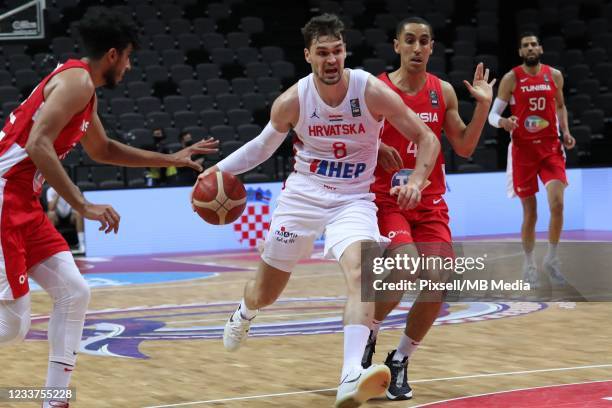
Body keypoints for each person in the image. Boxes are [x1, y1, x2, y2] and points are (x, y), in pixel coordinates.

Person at [197, 14, 440, 408]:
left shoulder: (370, 90)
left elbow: (426, 137)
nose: (331, 60)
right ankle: (243, 313)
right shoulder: (294, 100)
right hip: (302, 200)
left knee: (364, 272)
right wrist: (220, 169)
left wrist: (417, 181)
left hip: (353, 200)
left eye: (338, 51)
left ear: (346, 52)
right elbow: (261, 147)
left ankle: (349, 376)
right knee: (265, 293)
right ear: (308, 55)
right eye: (322, 52)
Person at [0, 7, 217, 408]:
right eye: (130, 57)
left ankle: (54, 400)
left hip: (22, 200)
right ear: (114, 55)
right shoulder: (76, 82)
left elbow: (103, 149)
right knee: (13, 327)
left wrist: (173, 157)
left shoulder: (83, 89)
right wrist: (83, 204)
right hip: (4, 196)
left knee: (74, 291)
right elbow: (36, 145)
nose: (130, 66)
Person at [361, 17, 496, 400]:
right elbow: (357, 141)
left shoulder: (443, 93)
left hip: (430, 202)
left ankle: (399, 359)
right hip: (388, 200)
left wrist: (482, 107)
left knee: (438, 280)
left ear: (432, 47)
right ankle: (366, 330)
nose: (417, 48)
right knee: (405, 267)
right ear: (397, 46)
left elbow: (465, 147)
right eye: (410, 41)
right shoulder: (377, 89)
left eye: (424, 41)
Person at [488, 32, 575, 286]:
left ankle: (552, 259)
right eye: (525, 45)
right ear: (520, 52)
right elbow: (493, 115)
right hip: (523, 152)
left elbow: (560, 106)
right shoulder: (511, 78)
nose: (530, 48)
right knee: (531, 213)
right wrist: (503, 121)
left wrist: (566, 132)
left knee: (557, 204)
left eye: (534, 44)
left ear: (541, 48)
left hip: (550, 148)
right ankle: (529, 264)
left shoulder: (554, 75)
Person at [46, 185, 86, 254]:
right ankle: (52, 245)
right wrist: (58, 194)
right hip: (57, 217)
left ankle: (81, 243)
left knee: (79, 213)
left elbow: (80, 204)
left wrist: (68, 193)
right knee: (50, 214)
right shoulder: (50, 191)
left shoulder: (74, 188)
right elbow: (50, 208)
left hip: (70, 215)